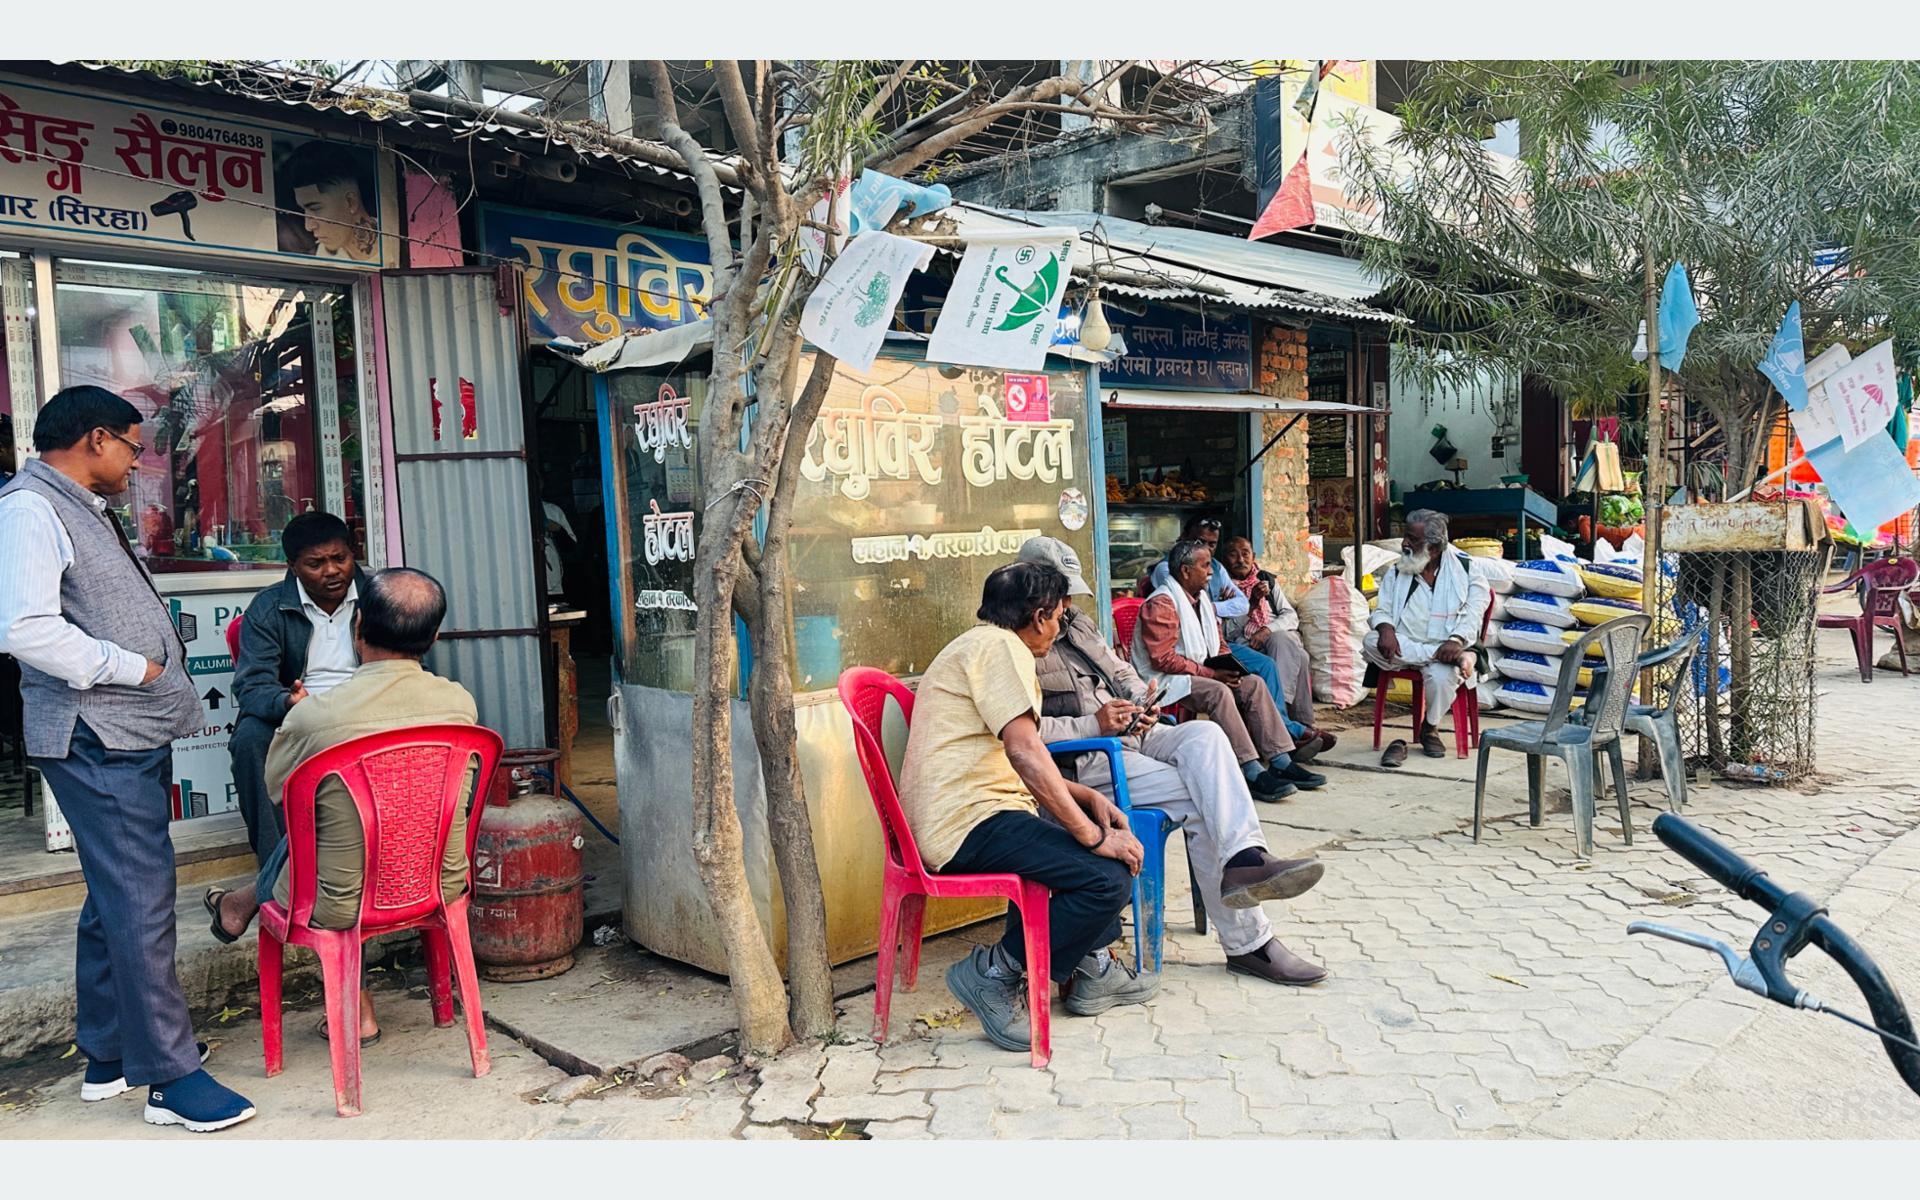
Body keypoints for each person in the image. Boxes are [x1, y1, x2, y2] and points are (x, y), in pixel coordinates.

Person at [0, 386, 256, 1132]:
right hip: (96, 730)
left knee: (116, 893)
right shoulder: (30, 510)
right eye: (134, 447)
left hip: (121, 732)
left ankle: (111, 1054)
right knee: (141, 899)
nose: (137, 462)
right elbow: (24, 628)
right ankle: (170, 1078)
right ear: (97, 439)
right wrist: (129, 666)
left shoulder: (70, 505)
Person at [1020, 538, 1329, 986]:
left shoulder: (1076, 622)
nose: (1066, 603)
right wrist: (1093, 724)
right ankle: (1250, 944)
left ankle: (1246, 855)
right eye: (1058, 594)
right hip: (1085, 761)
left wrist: (1138, 697)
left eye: (1068, 594)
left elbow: (1121, 668)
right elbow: (1022, 738)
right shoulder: (1014, 643)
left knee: (1205, 737)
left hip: (1131, 735)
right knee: (1203, 801)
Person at [207, 568, 479, 1047]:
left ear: (357, 630)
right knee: (339, 829)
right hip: (438, 878)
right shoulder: (459, 705)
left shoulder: (315, 717)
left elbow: (281, 796)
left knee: (308, 836)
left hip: (341, 898)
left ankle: (247, 902)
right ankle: (243, 901)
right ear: (434, 637)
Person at [899, 562, 1158, 1055]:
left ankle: (1092, 968)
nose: (1060, 626)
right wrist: (1092, 835)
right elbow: (1023, 752)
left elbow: (1022, 753)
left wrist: (1087, 798)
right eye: (1060, 616)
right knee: (1107, 877)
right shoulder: (1003, 650)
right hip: (966, 824)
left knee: (1079, 855)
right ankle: (993, 973)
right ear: (1040, 617)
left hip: (976, 812)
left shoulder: (982, 644)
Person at [1136, 538, 1327, 801]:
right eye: (1205, 566)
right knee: (1218, 692)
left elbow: (1219, 642)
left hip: (1198, 670)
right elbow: (1162, 660)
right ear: (1185, 571)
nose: (1212, 572)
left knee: (1254, 683)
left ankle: (1281, 759)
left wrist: (1229, 666)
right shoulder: (1162, 604)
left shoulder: (1200, 600)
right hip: (1167, 680)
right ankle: (1250, 769)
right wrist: (1213, 674)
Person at [228, 513, 370, 866]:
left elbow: (410, 661)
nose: (332, 571)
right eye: (315, 564)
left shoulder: (379, 597)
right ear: (292, 566)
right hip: (299, 712)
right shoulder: (268, 607)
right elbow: (252, 686)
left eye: (340, 558)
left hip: (369, 707)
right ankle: (279, 874)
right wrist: (287, 701)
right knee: (249, 739)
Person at [1364, 509, 1493, 760]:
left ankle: (1429, 728)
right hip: (1408, 646)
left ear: (1433, 548)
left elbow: (1473, 614)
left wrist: (1455, 642)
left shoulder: (1468, 570)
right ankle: (1451, 657)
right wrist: (1385, 628)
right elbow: (1383, 609)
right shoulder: (1397, 570)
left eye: (1412, 539)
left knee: (1444, 676)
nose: (1404, 544)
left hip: (1449, 645)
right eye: (1405, 537)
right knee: (1370, 641)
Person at [1219, 535, 1332, 750]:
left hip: (1272, 639)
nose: (1240, 559)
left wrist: (1266, 630)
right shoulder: (1223, 589)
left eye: (1245, 554)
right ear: (1225, 560)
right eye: (1233, 554)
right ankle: (1292, 726)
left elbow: (1290, 616)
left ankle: (1291, 727)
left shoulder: (1266, 580)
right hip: (1243, 644)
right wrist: (1251, 603)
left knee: (1283, 640)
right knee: (1299, 656)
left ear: (1253, 557)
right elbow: (1227, 633)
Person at [283, 141, 379, 262]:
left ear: (350, 202)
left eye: (315, 208)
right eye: (304, 211)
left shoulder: (394, 238)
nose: (309, 226)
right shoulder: (322, 258)